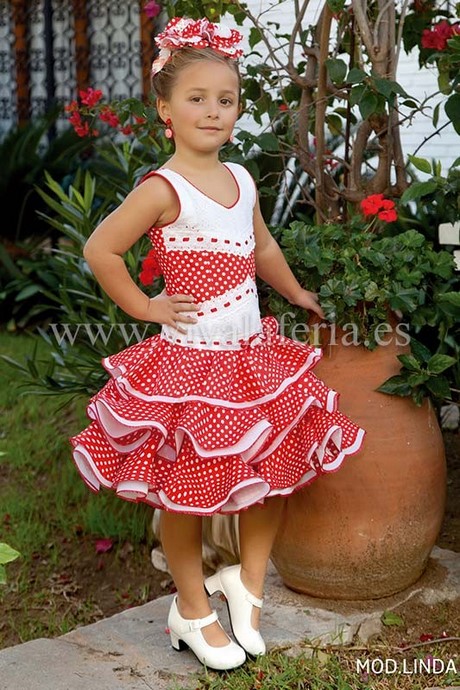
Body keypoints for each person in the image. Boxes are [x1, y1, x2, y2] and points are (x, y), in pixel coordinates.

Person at [71, 16, 365, 671]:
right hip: (193, 363)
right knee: (191, 492)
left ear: (238, 111)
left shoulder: (242, 181)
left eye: (225, 100)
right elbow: (101, 249)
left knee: (270, 478)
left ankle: (247, 588)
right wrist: (147, 305)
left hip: (250, 358)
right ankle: (192, 608)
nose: (212, 110)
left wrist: (294, 294)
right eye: (196, 98)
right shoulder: (162, 189)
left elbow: (260, 245)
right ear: (164, 108)